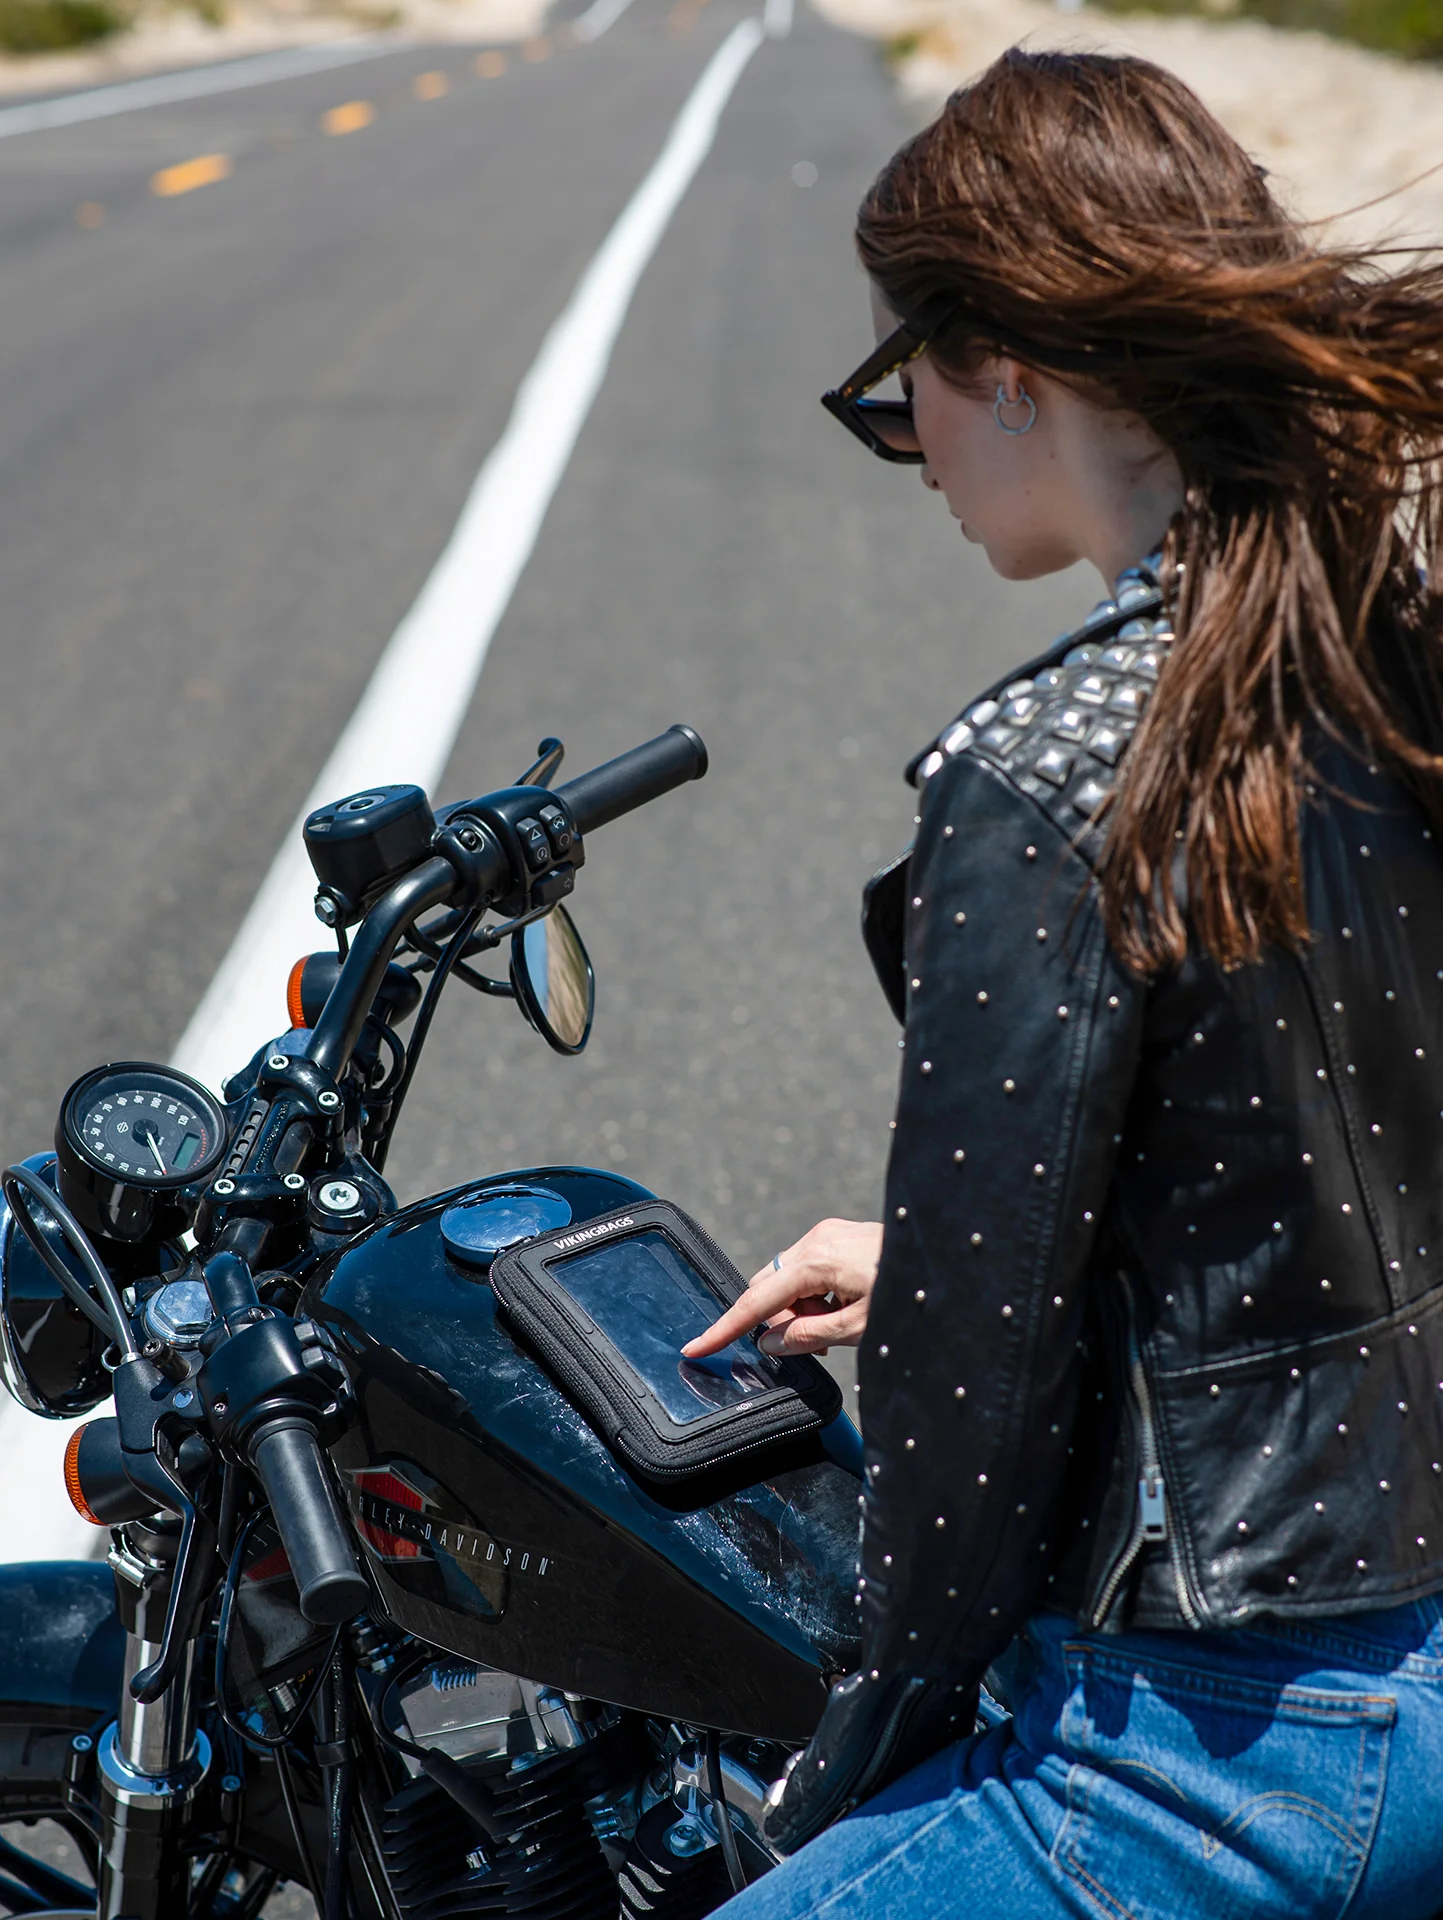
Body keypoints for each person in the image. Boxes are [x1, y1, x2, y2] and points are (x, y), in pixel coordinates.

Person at [682, 46, 1443, 1918]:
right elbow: (1336, 1137)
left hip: (1222, 1743)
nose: (914, 447)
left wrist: (849, 1754)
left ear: (1007, 366)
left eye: (904, 388)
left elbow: (963, 1438)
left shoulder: (1036, 775)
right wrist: (936, 1250)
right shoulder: (1377, 644)